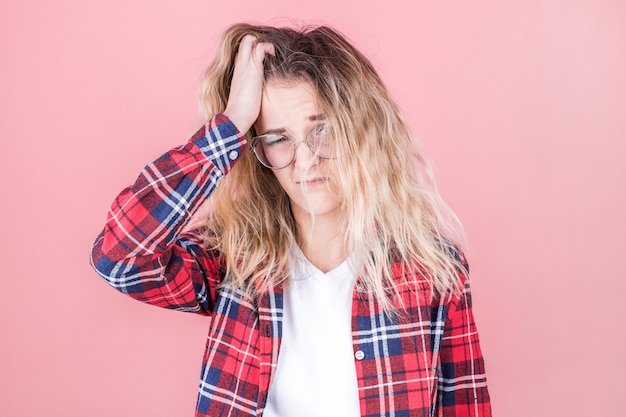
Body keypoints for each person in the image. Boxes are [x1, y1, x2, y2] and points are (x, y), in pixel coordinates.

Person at [90, 23, 491, 417]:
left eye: (323, 130)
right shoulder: (236, 260)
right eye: (278, 138)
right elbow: (119, 257)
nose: (305, 159)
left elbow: (466, 406)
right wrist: (228, 127)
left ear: (362, 131)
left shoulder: (433, 271)